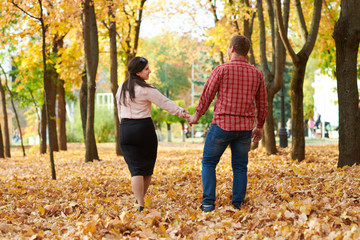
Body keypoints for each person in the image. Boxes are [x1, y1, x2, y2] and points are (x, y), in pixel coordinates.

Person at [188, 35, 268, 212]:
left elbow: (207, 95)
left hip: (222, 125)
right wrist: (260, 126)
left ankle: (208, 203)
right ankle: (237, 204)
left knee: (209, 163)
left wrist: (196, 116)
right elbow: (263, 103)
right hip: (245, 128)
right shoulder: (257, 74)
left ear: (231, 49)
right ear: (246, 52)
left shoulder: (221, 70)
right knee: (240, 167)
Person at [115, 56, 189, 212]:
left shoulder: (121, 88)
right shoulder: (146, 89)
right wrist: (182, 113)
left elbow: (119, 110)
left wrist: (125, 126)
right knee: (146, 168)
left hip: (126, 129)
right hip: (143, 129)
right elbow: (165, 102)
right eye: (146, 69)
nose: (150, 71)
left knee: (135, 170)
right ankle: (140, 203)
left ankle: (139, 203)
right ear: (138, 72)